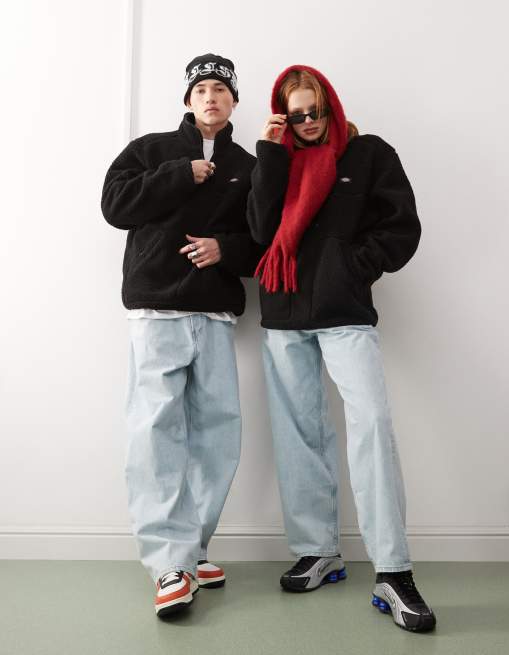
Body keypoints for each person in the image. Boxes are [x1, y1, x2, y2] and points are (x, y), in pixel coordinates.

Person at [247, 64, 436, 632]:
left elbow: (401, 227)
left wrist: (352, 267)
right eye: (296, 115)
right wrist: (268, 153)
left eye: (315, 111)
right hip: (283, 311)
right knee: (299, 433)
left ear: (331, 105)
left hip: (344, 311)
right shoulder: (275, 160)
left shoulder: (368, 154)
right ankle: (318, 550)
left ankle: (393, 570)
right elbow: (259, 231)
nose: (308, 122)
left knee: (372, 423)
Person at [101, 53, 264, 618]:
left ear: (234, 100)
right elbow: (114, 206)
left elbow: (264, 239)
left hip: (216, 313)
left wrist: (226, 250)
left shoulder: (249, 165)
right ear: (188, 100)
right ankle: (169, 562)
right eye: (201, 90)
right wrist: (178, 174)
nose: (211, 97)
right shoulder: (151, 150)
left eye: (221, 89)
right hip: (157, 310)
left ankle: (190, 549)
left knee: (219, 434)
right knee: (155, 432)